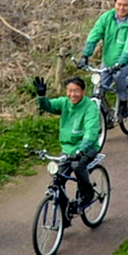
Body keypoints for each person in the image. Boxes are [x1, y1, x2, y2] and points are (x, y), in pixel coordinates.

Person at [32, 73, 104, 207]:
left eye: (76, 91)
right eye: (70, 91)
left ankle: (87, 192)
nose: (73, 95)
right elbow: (47, 106)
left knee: (77, 166)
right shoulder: (64, 103)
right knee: (57, 181)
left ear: (83, 91)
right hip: (68, 149)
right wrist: (41, 96)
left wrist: (81, 150)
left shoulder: (90, 107)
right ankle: (64, 215)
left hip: (87, 148)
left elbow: (91, 131)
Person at [81, 0, 128, 122]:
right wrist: (85, 55)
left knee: (119, 76)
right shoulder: (106, 18)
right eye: (119, 4)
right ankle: (105, 115)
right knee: (99, 88)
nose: (121, 8)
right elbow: (94, 35)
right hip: (108, 60)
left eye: (125, 5)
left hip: (127, 62)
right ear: (114, 4)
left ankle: (123, 101)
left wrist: (120, 63)